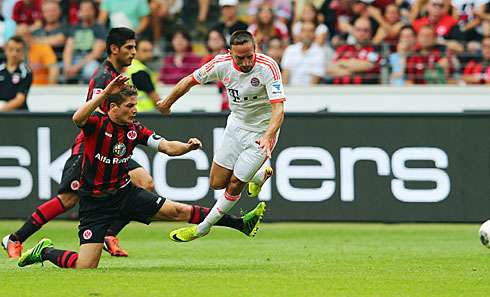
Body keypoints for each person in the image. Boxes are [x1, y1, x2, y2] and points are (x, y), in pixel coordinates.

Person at [17, 77, 266, 269]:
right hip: (95, 204)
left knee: (179, 210)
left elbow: (167, 146)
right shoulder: (96, 125)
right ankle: (45, 251)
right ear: (112, 107)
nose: (134, 110)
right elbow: (77, 117)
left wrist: (187, 147)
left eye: (135, 105)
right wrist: (103, 93)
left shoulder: (135, 130)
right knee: (86, 265)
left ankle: (240, 224)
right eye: (129, 105)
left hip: (126, 194)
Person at [1, 28, 153, 259]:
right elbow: (94, 114)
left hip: (111, 146)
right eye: (129, 48)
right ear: (114, 49)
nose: (134, 52)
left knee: (145, 183)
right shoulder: (103, 77)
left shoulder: (116, 76)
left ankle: (109, 234)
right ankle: (15, 238)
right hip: (92, 148)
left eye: (134, 47)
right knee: (68, 199)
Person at [157, 30, 284, 242]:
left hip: (262, 132)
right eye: (239, 57)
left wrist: (268, 135)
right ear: (229, 53)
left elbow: (278, 110)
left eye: (249, 56)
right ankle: (259, 176)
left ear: (255, 49)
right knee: (217, 183)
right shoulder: (220, 64)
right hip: (235, 126)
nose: (245, 62)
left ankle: (202, 228)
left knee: (235, 183)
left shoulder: (268, 67)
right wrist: (168, 101)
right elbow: (189, 80)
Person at [327, 17, 382, 84]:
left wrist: (342, 63)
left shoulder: (375, 49)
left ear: (371, 32)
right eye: (358, 30)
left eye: (366, 30)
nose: (362, 33)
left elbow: (369, 66)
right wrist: (355, 70)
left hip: (364, 91)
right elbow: (330, 69)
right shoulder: (344, 48)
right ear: (353, 31)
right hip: (339, 91)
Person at [62, 0, 107, 83]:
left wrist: (76, 67)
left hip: (90, 61)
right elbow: (68, 49)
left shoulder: (99, 28)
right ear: (79, 12)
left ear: (94, 11)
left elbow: (96, 53)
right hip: (74, 59)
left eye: (88, 9)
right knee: (58, 68)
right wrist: (67, 66)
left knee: (90, 71)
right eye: (83, 9)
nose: (85, 12)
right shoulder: (74, 28)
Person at [281, 21, 326, 85]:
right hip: (290, 91)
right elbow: (285, 74)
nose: (307, 34)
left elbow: (315, 79)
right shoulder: (290, 50)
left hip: (310, 92)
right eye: (304, 31)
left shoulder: (319, 52)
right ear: (300, 33)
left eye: (310, 31)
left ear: (314, 34)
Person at [126, 39, 160, 112]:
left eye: (150, 50)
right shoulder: (140, 72)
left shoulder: (130, 67)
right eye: (145, 51)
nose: (149, 54)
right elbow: (156, 100)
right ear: (135, 51)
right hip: (145, 114)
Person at [0, 36, 32, 111]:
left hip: (18, 114)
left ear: (22, 52)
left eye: (18, 50)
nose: (14, 54)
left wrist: (1, 110)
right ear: (6, 50)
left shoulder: (25, 72)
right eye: (11, 49)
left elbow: (19, 100)